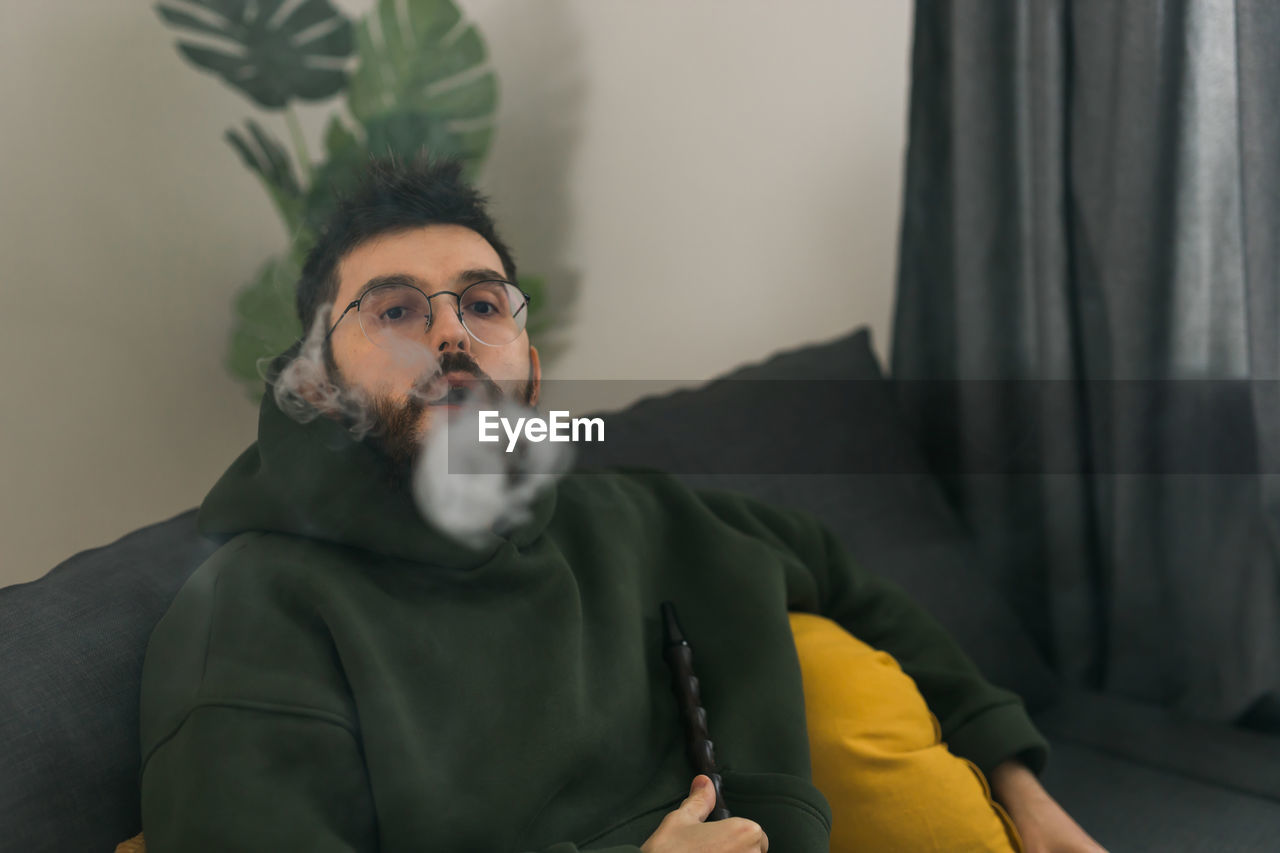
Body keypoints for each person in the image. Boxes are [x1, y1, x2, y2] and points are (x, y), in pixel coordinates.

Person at [136, 156, 1105, 852]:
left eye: (482, 304)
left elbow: (847, 581)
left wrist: (1019, 790)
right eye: (393, 310)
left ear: (530, 360)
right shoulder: (255, 610)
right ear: (312, 381)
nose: (450, 335)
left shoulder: (626, 512)